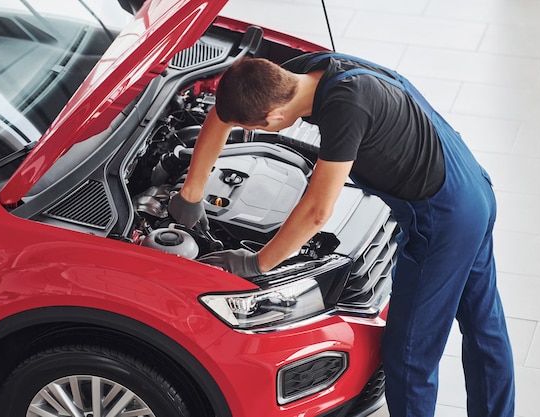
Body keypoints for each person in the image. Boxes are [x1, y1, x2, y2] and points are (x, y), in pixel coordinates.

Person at [168, 52, 515, 417]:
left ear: (273, 120)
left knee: (409, 354)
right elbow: (222, 115)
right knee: (483, 326)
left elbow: (317, 211)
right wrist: (191, 193)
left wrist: (257, 262)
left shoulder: (345, 108)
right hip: (473, 188)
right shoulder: (304, 71)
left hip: (444, 219)